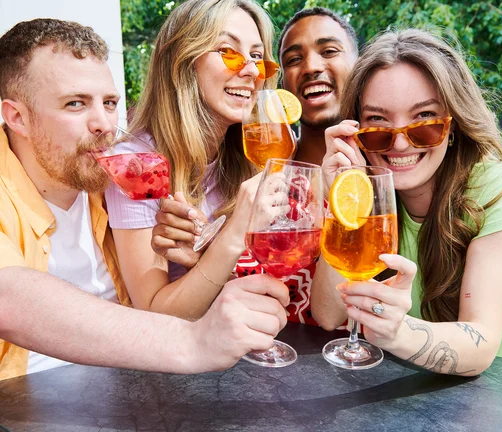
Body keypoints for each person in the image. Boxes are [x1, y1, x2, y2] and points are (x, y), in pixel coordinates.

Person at [152, 7, 502, 322]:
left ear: (357, 70)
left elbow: (464, 199)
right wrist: (202, 248)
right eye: (293, 58)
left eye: (329, 50)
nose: (311, 66)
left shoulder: (392, 170)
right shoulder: (260, 165)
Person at [314, 28, 502, 430]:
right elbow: (328, 313)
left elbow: (480, 345)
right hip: (437, 406)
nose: (400, 143)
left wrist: (396, 331)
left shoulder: (501, 188)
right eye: (378, 123)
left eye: (424, 120)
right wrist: (340, 198)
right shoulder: (373, 201)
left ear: (452, 126)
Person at [0, 17, 288, 381]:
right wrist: (193, 342)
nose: (104, 124)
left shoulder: (111, 180)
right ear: (17, 117)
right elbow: (10, 296)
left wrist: (201, 254)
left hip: (132, 387)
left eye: (109, 103)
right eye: (75, 104)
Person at [105, 0, 286, 320]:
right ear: (183, 62)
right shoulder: (136, 164)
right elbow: (153, 311)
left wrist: (205, 256)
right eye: (228, 51)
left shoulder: (251, 155)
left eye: (257, 56)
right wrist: (233, 234)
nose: (250, 70)